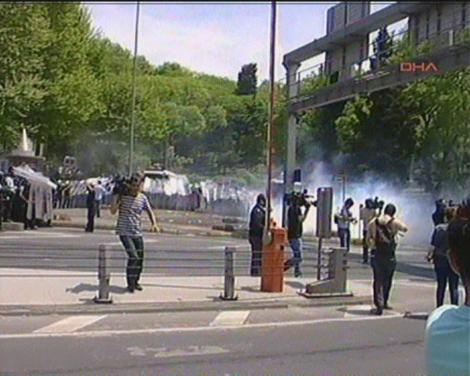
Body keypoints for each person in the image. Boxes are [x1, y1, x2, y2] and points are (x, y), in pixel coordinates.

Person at [425, 201, 470, 376]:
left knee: (442, 287)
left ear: (454, 261)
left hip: (442, 264)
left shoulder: (437, 325)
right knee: (451, 288)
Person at [111, 172, 159, 293]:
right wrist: (117, 197)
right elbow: (113, 211)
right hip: (124, 231)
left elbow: (149, 211)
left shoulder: (142, 198)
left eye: (138, 186)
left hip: (137, 231)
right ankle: (130, 283)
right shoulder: (123, 196)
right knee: (133, 256)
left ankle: (136, 281)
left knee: (140, 258)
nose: (135, 188)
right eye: (133, 186)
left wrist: (154, 224)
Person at [367, 203, 408, 315]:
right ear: (393, 213)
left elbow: (368, 239)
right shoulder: (394, 222)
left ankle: (378, 305)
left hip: (377, 254)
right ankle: (385, 301)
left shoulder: (373, 222)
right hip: (389, 255)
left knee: (378, 280)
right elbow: (405, 228)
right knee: (388, 279)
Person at [427, 207, 460, 307]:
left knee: (441, 285)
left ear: (445, 217)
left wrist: (429, 255)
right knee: (454, 286)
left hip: (440, 259)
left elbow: (433, 245)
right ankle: (455, 307)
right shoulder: (458, 228)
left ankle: (439, 307)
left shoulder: (439, 228)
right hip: (454, 260)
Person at [286, 193, 311, 277]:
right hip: (295, 236)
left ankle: (297, 271)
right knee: (299, 257)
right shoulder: (297, 209)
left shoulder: (290, 208)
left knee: (297, 254)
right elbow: (301, 220)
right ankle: (284, 266)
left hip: (292, 235)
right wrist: (307, 209)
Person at [248, 194, 266, 277]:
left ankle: (256, 271)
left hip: (256, 236)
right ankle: (255, 272)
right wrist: (264, 228)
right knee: (257, 255)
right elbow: (257, 224)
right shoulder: (257, 211)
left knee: (258, 254)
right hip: (256, 236)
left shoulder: (259, 210)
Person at [360, 199, 378, 264]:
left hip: (372, 229)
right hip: (367, 229)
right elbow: (361, 218)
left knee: (373, 244)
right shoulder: (366, 210)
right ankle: (365, 258)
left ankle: (372, 257)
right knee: (365, 244)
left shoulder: (372, 210)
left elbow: (377, 218)